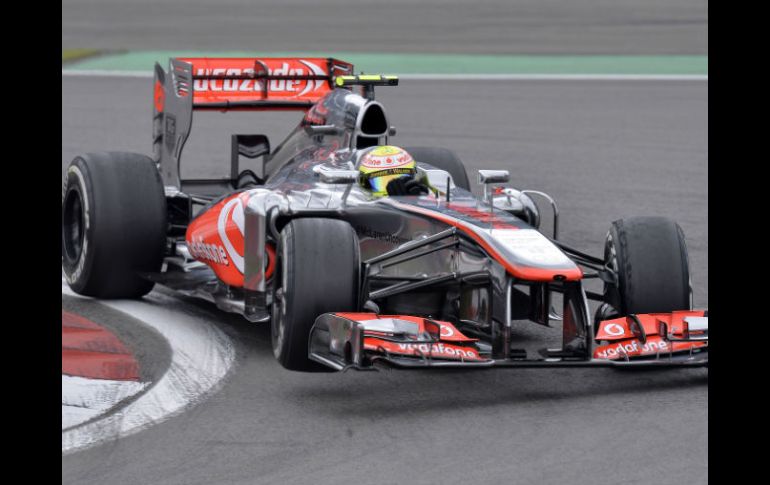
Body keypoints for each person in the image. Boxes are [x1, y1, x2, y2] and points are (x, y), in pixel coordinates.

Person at [357, 146, 430, 196]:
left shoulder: (420, 193)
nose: (395, 187)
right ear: (364, 182)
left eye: (401, 177)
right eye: (382, 180)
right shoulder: (355, 199)